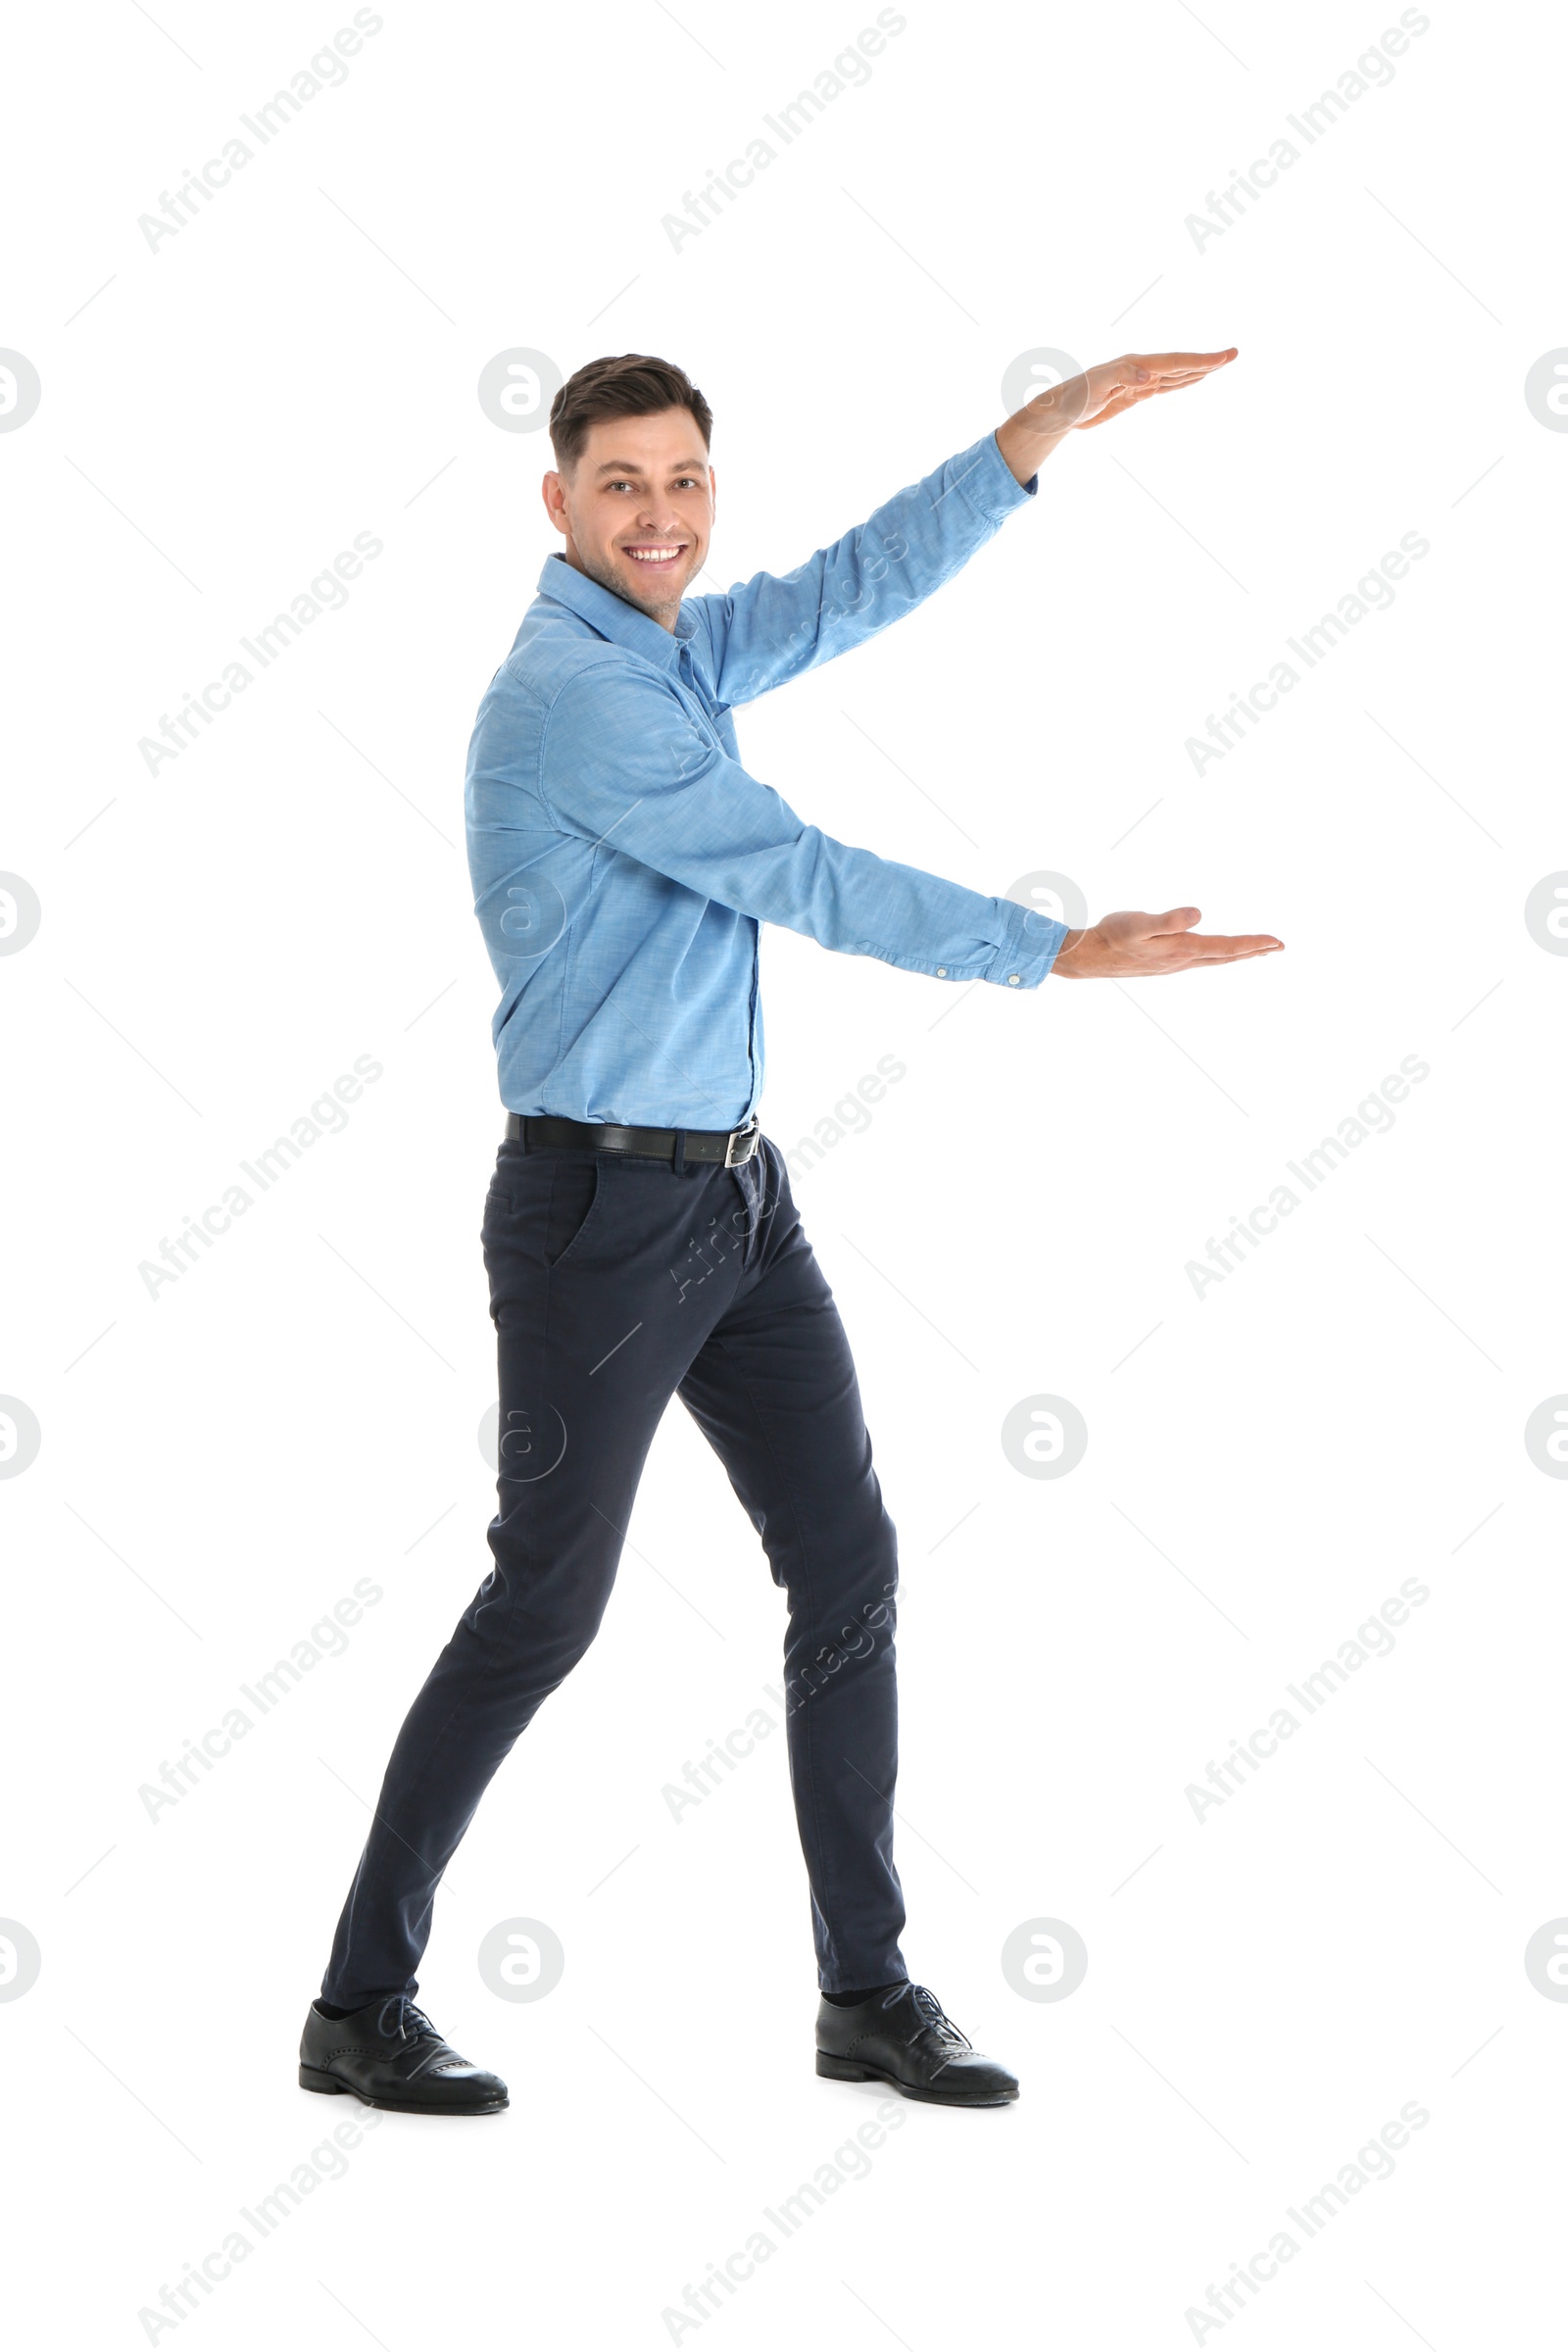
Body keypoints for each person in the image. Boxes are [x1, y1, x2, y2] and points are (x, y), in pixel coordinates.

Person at [299, 346, 1282, 2117]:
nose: (659, 515)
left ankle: (866, 1993)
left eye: (683, 482)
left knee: (847, 1567)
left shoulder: (667, 651)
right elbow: (799, 870)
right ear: (557, 505)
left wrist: (1024, 448)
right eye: (621, 485)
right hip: (597, 1213)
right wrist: (1053, 948)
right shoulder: (575, 698)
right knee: (548, 1607)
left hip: (735, 1199)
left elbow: (846, 592)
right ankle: (359, 2004)